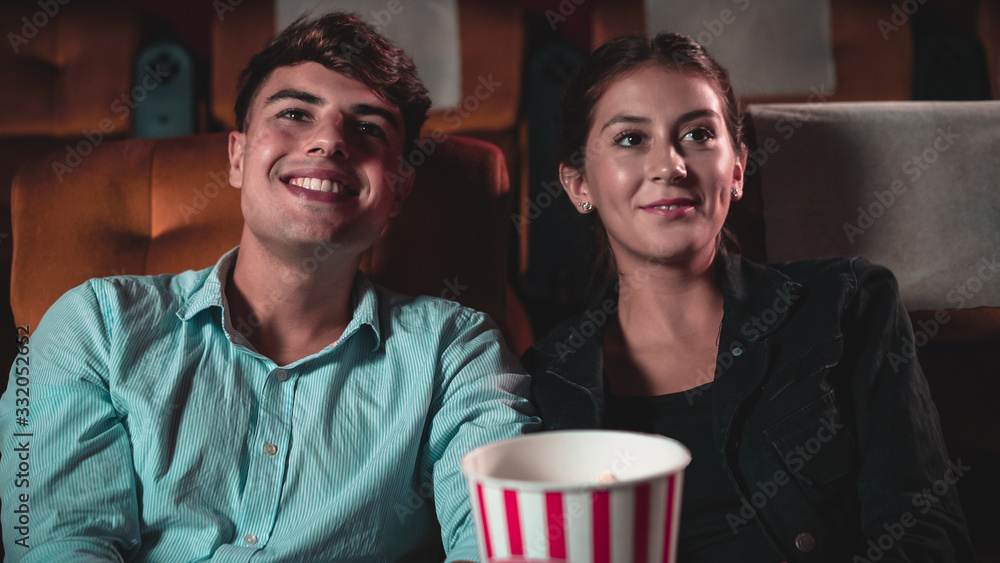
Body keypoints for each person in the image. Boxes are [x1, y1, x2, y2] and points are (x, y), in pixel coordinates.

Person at [0, 13, 537, 562]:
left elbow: (502, 543)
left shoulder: (456, 350)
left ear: (398, 190)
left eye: (369, 127)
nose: (329, 140)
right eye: (295, 113)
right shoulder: (96, 324)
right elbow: (62, 544)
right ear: (237, 156)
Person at [521, 33, 975, 562]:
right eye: (629, 139)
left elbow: (926, 532)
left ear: (735, 168)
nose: (670, 166)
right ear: (578, 185)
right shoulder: (546, 382)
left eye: (697, 134)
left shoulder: (846, 303)